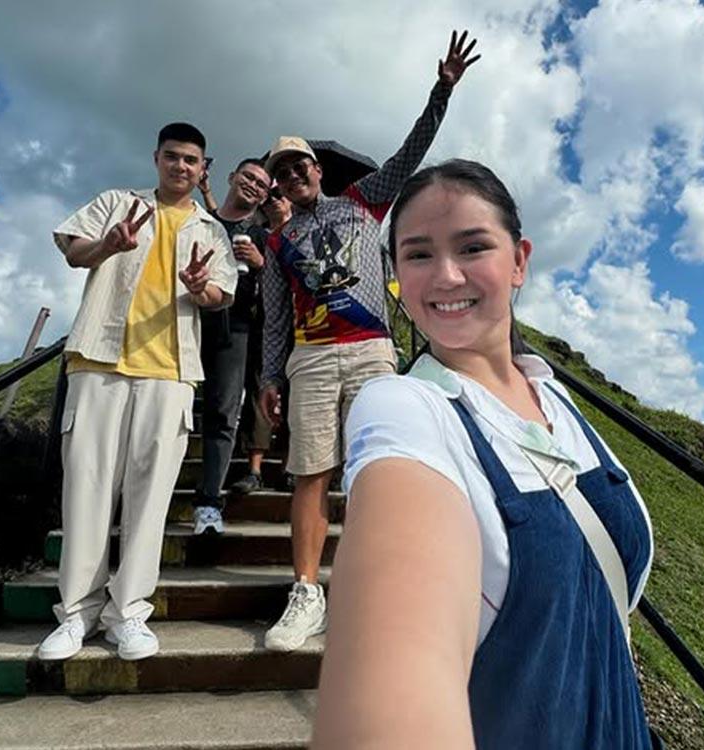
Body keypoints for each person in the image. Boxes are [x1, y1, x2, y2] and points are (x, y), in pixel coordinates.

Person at [313, 160, 657, 748]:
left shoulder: (553, 392)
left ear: (519, 260)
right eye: (418, 255)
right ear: (394, 273)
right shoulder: (402, 407)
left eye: (472, 247)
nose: (445, 276)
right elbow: (396, 666)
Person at [258, 30, 481, 653]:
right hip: (309, 358)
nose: (294, 174)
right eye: (283, 170)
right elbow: (275, 315)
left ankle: (375, 586)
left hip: (369, 349)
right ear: (278, 184)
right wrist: (268, 377)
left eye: (301, 164)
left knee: (376, 471)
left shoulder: (363, 201)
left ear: (317, 171)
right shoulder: (279, 242)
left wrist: (441, 91)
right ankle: (306, 592)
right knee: (309, 473)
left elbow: (411, 154)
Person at [38, 122, 237, 661]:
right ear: (156, 158)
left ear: (203, 169)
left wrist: (201, 287)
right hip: (98, 359)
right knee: (87, 488)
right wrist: (110, 244)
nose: (181, 167)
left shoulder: (211, 230)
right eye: (172, 157)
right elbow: (74, 252)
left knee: (151, 497)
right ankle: (76, 614)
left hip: (171, 371)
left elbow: (221, 295)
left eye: (191, 160)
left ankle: (128, 612)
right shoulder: (116, 203)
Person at [192, 158, 271, 534]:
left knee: (223, 413)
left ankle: (208, 501)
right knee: (170, 407)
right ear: (232, 177)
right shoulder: (202, 221)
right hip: (188, 317)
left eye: (262, 184)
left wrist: (262, 264)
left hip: (237, 325)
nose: (254, 185)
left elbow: (280, 287)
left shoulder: (264, 234)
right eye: (249, 177)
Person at [229, 187, 296, 495]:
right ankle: (254, 469)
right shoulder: (256, 235)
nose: (274, 202)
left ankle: (288, 467)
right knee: (259, 390)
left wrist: (264, 264)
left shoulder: (306, 231)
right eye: (268, 199)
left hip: (304, 324)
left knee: (297, 396)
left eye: (279, 197)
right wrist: (258, 264)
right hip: (263, 322)